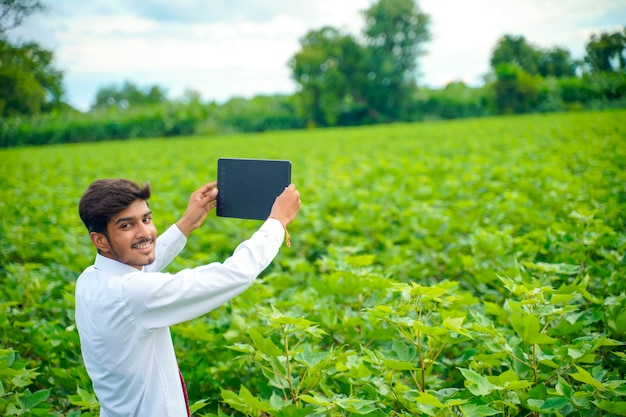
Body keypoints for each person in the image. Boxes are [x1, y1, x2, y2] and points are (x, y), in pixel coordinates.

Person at [75, 178, 301, 417]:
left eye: (146, 219)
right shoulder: (131, 294)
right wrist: (277, 222)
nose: (145, 232)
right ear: (99, 240)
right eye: (126, 226)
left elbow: (139, 268)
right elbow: (234, 274)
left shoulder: (91, 279)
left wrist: (186, 224)